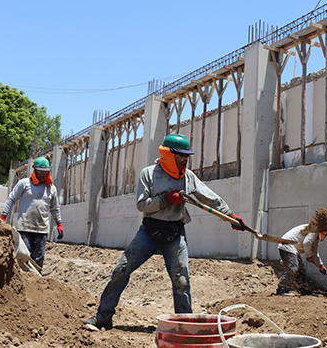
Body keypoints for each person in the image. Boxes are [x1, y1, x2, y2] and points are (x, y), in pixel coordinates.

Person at [83, 134, 246, 331]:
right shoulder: (149, 174)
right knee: (121, 270)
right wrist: (165, 198)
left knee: (182, 282)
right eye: (181, 156)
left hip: (175, 234)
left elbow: (211, 198)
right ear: (169, 155)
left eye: (187, 157)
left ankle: (185, 326)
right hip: (149, 232)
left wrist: (231, 215)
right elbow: (142, 205)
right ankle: (103, 317)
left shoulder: (188, 177)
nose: (185, 160)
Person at [0, 157, 63, 271]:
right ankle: (23, 280)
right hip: (24, 228)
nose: (42, 174)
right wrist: (4, 215)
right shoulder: (24, 184)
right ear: (34, 170)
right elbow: (12, 198)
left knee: (38, 258)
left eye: (44, 172)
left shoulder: (51, 189)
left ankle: (37, 279)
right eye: (39, 172)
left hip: (42, 229)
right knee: (23, 256)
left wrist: (59, 223)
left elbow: (55, 208)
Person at [276, 207, 327, 296]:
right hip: (287, 246)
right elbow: (306, 243)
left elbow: (314, 251)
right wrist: (309, 256)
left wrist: (321, 265)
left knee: (301, 271)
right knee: (293, 267)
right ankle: (282, 290)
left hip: (293, 249)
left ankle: (305, 291)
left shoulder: (316, 236)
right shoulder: (313, 230)